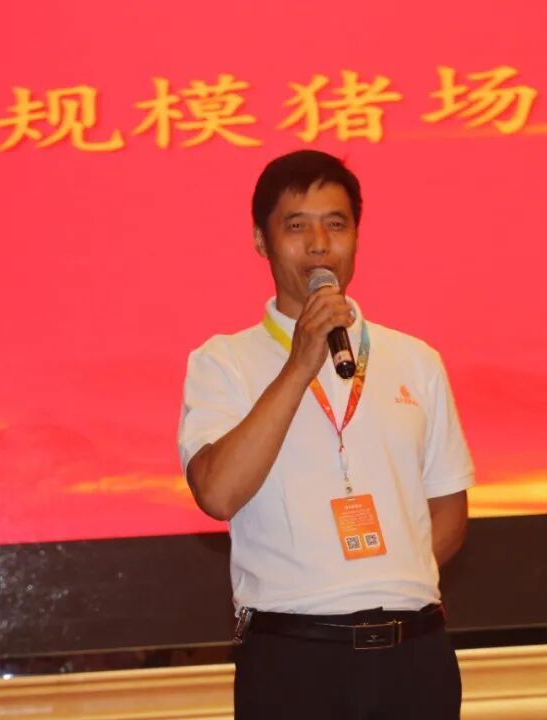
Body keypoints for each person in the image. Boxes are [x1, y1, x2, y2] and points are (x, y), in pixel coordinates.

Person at [177, 149, 475, 719]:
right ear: (262, 241)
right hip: (294, 658)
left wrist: (377, 579)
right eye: (297, 226)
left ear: (357, 236)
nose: (319, 244)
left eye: (336, 224)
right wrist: (300, 363)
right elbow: (217, 493)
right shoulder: (223, 362)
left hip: (414, 655)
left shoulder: (415, 360)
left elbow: (448, 511)